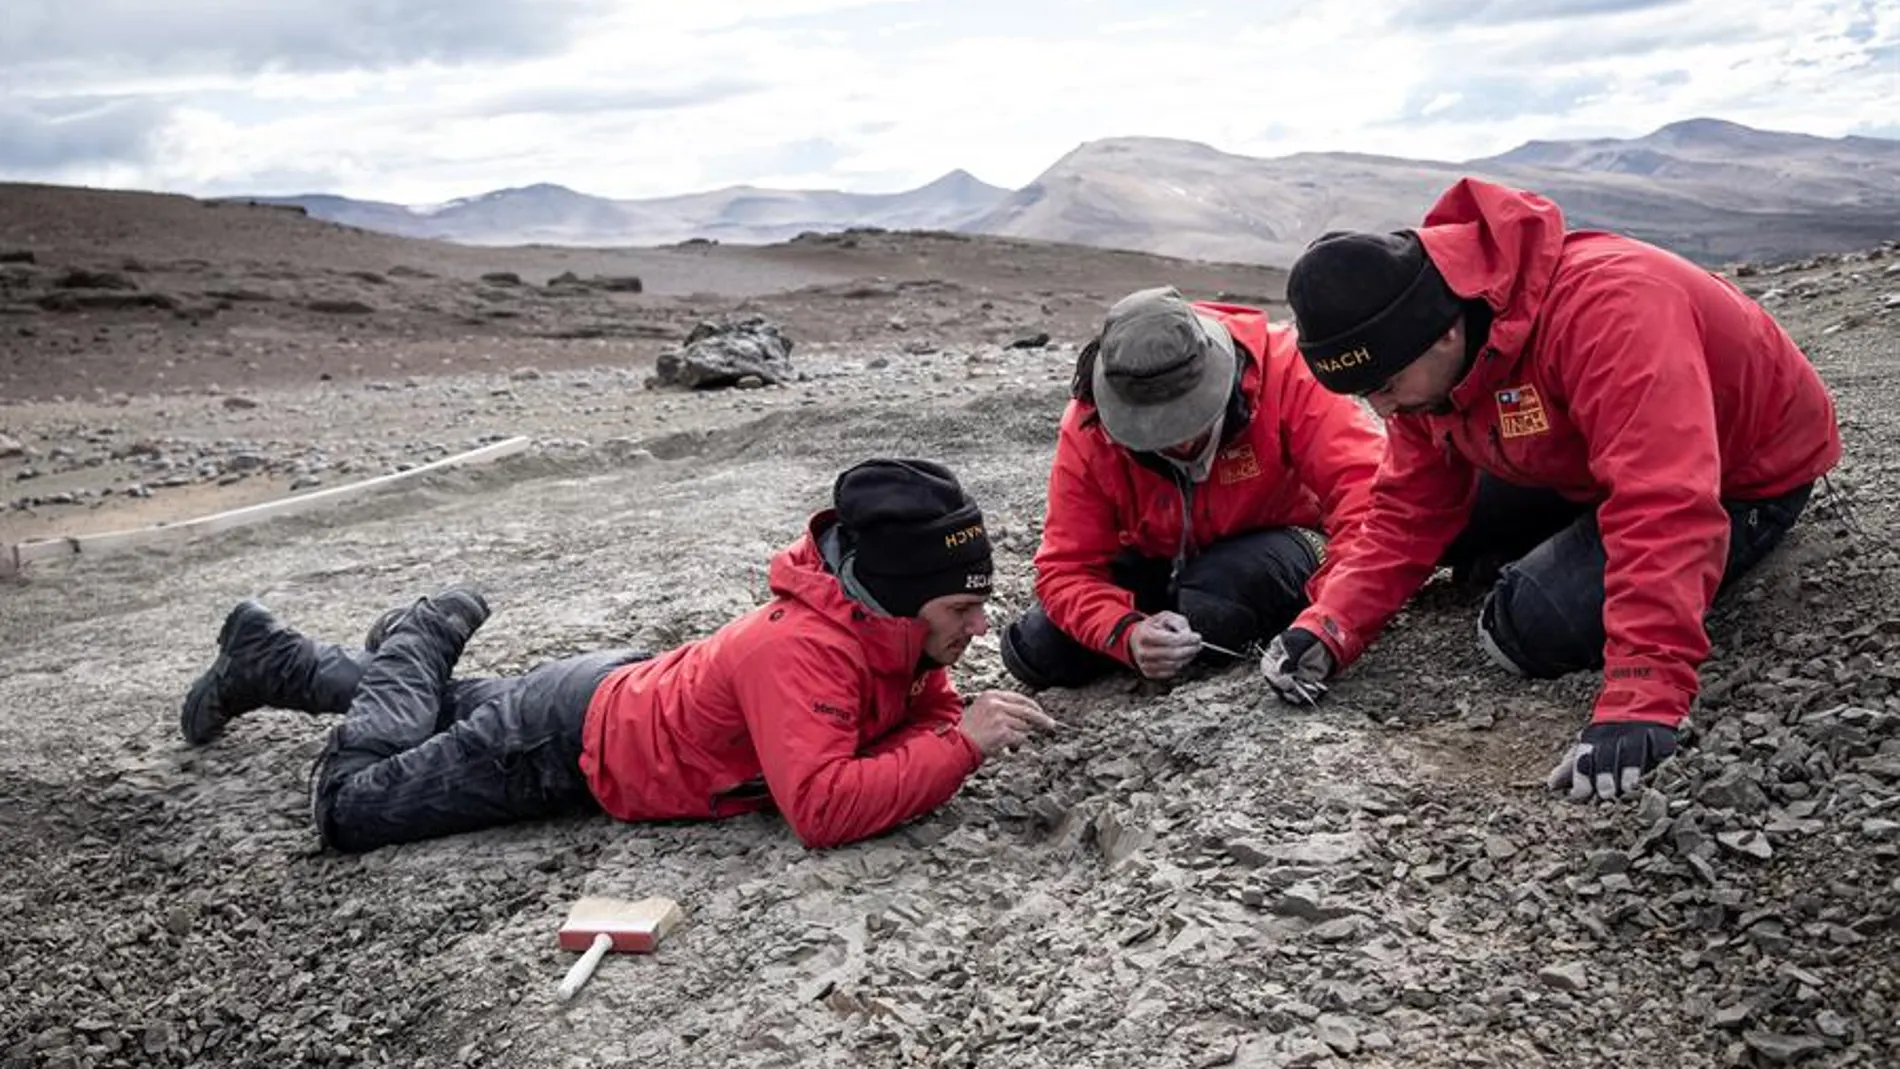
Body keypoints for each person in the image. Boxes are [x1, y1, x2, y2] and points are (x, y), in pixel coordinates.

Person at [1258, 177, 1843, 802]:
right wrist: (1330, 623)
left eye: (1388, 384)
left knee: (1526, 626)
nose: (1381, 407)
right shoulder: (1420, 360)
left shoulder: (1608, 310)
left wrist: (1642, 695)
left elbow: (1662, 502)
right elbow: (1408, 509)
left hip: (1741, 475)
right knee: (1460, 535)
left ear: (1446, 332)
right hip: (1584, 458)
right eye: (1363, 392)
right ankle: (1570, 549)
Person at [179, 458, 1057, 852]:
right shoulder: (804, 651)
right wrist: (961, 747)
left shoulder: (892, 627)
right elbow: (822, 809)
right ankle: (423, 632)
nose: (982, 627)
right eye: (963, 606)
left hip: (615, 693)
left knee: (433, 711)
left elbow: (929, 707)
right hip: (561, 742)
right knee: (348, 806)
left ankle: (272, 658)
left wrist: (946, 728)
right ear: (899, 596)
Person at [1000, 285, 1387, 689]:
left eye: (1192, 417)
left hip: (1286, 541)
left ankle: (1208, 618)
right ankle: (1185, 627)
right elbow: (1066, 568)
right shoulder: (1089, 422)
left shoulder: (1284, 370)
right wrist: (1128, 633)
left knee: (1218, 598)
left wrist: (1327, 620)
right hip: (1159, 557)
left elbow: (1370, 503)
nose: (1179, 442)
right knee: (1037, 649)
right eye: (1153, 431)